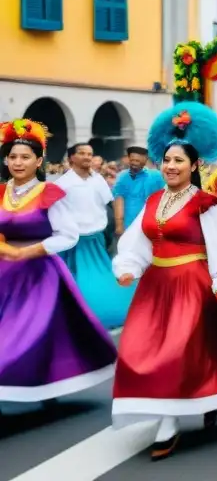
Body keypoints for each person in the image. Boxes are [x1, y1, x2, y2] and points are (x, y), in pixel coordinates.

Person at [112, 103, 217, 460]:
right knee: (140, 348)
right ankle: (204, 394)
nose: (171, 166)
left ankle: (168, 422)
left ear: (194, 165)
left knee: (177, 349)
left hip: (192, 283)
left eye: (179, 161)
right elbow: (138, 240)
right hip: (155, 285)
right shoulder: (153, 201)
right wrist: (129, 266)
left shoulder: (204, 203)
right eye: (166, 161)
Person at [0, 119, 118, 403]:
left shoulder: (50, 193)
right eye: (12, 157)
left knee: (23, 335)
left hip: (38, 276)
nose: (18, 162)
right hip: (5, 274)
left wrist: (24, 252)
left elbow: (68, 235)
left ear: (39, 160)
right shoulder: (1, 193)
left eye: (25, 157)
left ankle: (37, 386)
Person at [56, 142, 134, 329]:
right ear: (71, 158)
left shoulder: (98, 180)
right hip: (74, 242)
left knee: (104, 277)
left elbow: (110, 202)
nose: (87, 157)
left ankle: (105, 311)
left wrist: (118, 224)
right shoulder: (62, 184)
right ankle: (81, 317)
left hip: (97, 238)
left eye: (90, 154)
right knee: (78, 281)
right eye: (82, 153)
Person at [112, 146, 163, 238]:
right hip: (129, 224)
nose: (134, 163)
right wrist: (119, 225)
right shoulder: (122, 177)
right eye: (132, 160)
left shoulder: (156, 176)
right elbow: (119, 199)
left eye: (138, 161)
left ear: (145, 160)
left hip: (151, 224)